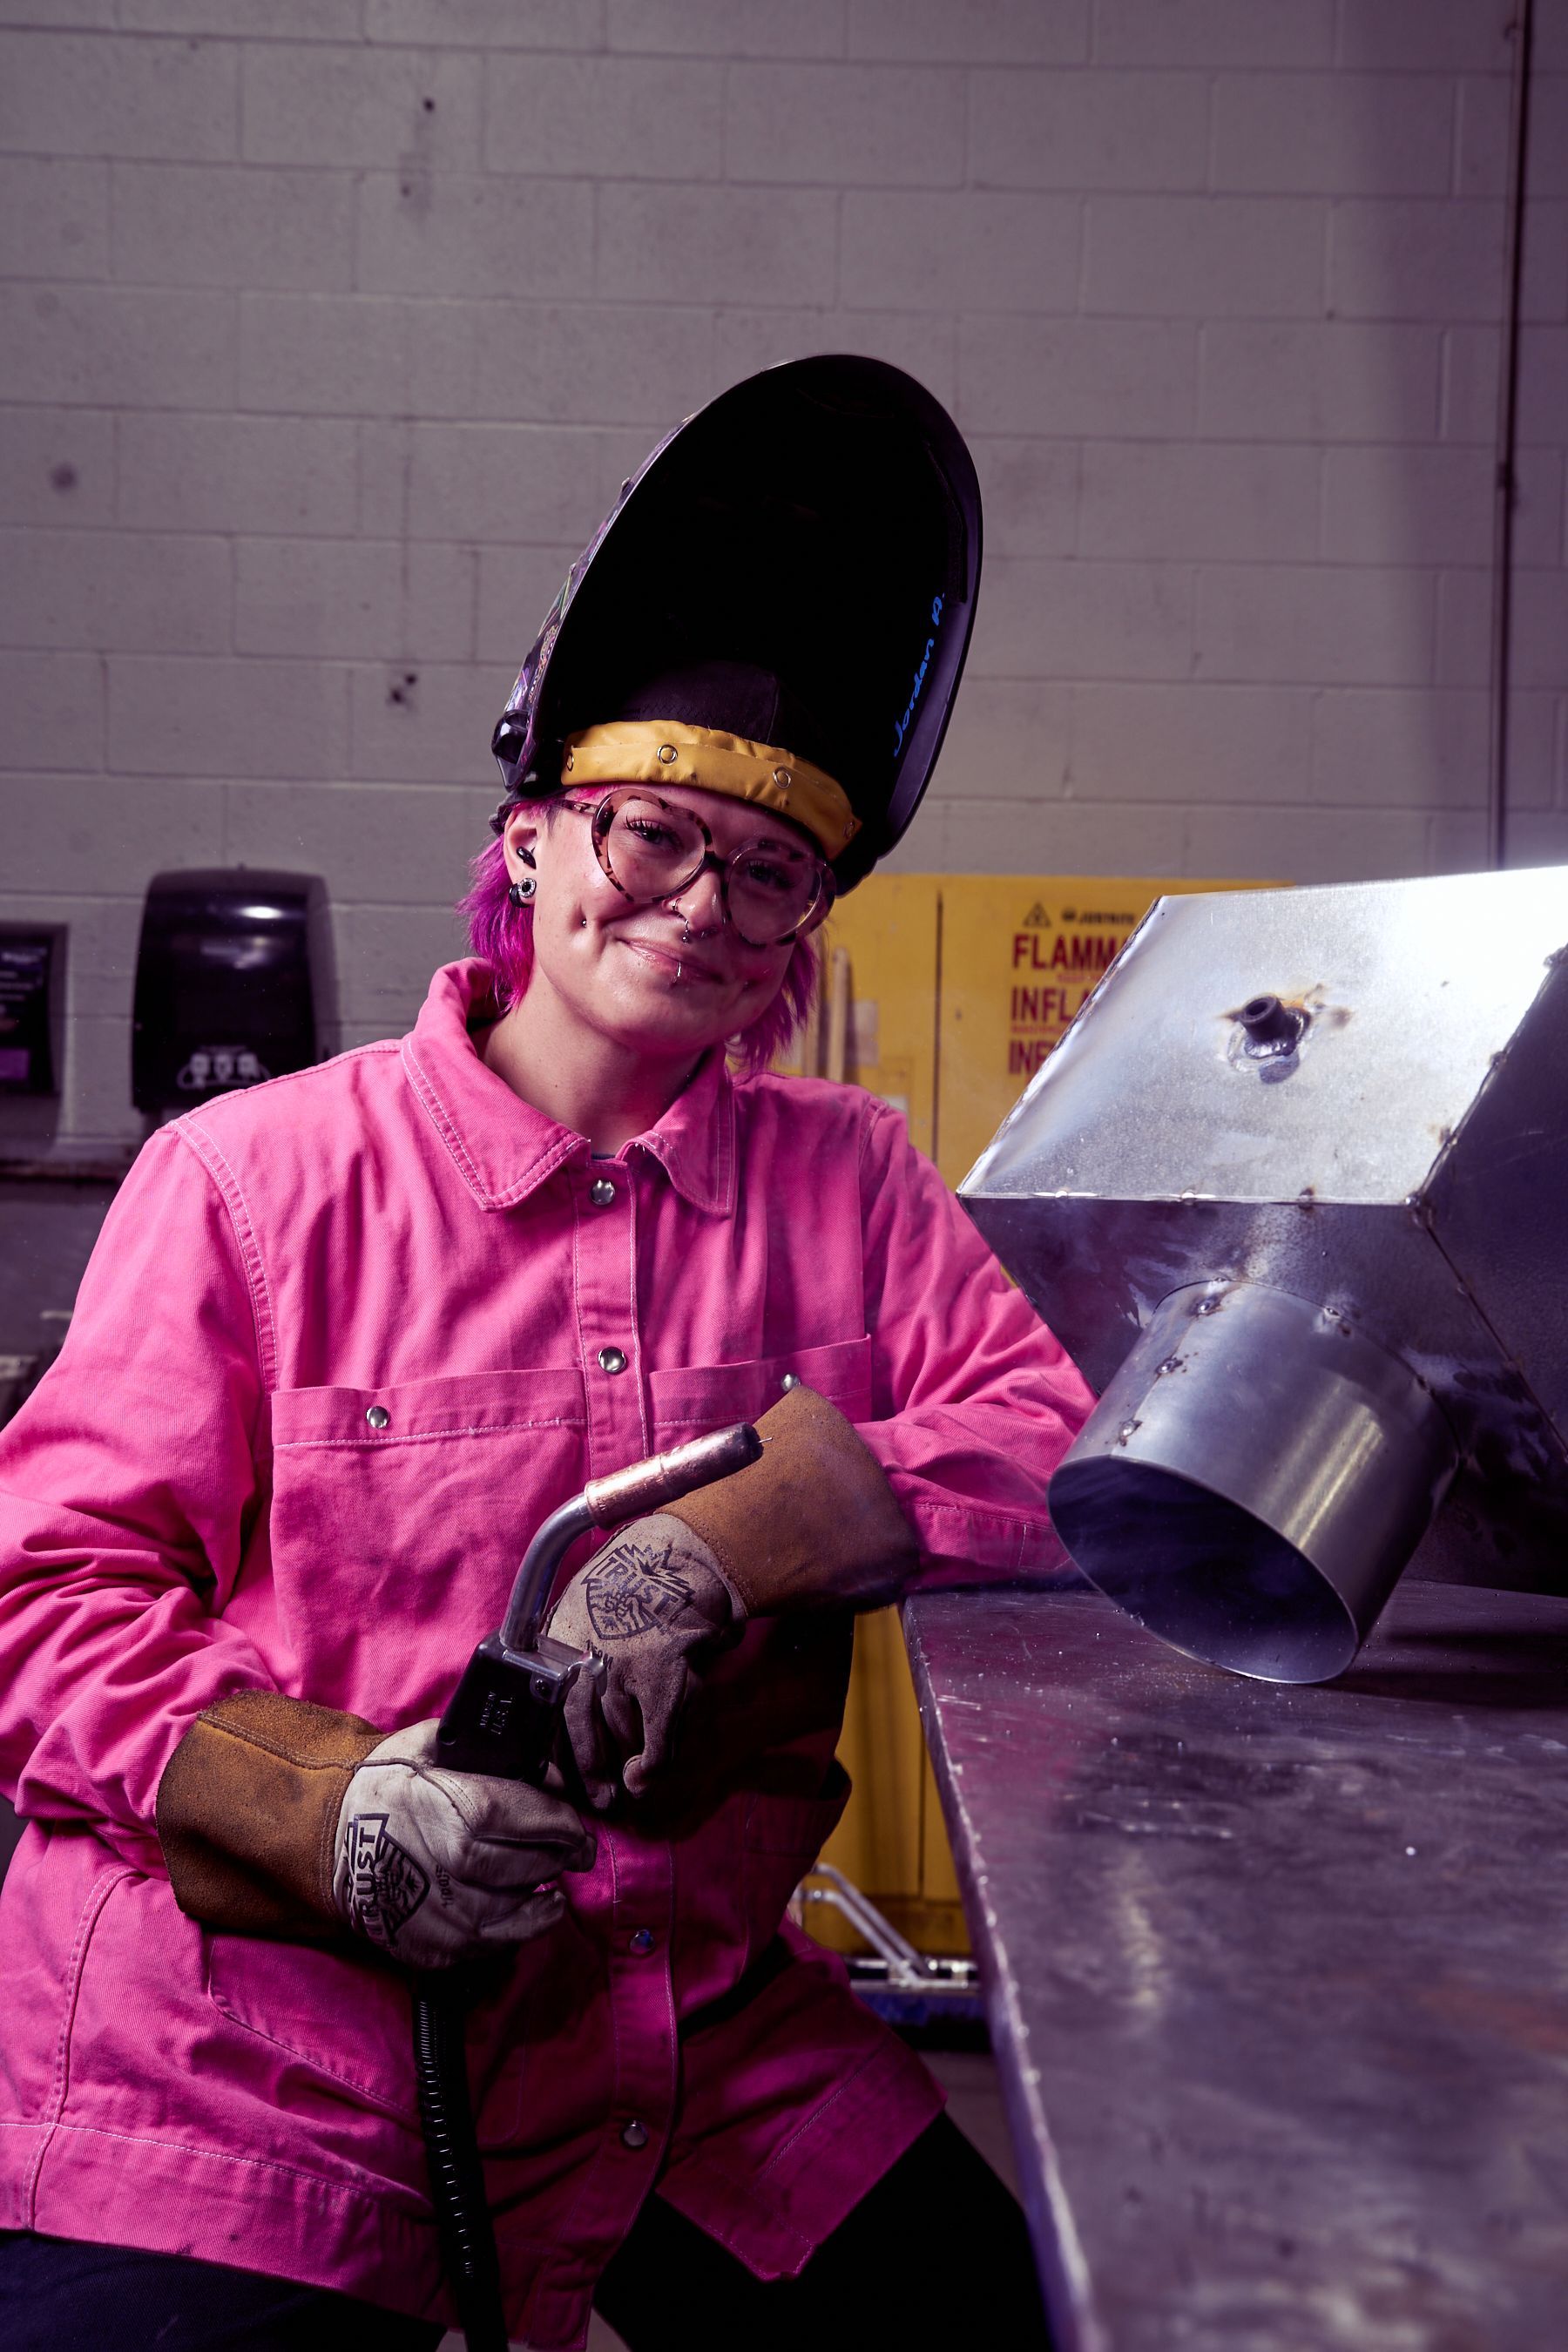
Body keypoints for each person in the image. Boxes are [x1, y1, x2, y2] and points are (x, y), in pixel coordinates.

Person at [0, 360, 1093, 2350]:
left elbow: (1054, 1439)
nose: (700, 901)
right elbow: (51, 1605)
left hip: (674, 2026)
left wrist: (736, 1543)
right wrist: (330, 1805)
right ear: (529, 841)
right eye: (651, 833)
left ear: (803, 939)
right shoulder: (248, 1179)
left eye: (772, 873)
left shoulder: (844, 1181)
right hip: (248, 2053)